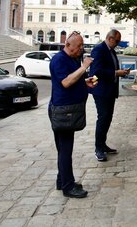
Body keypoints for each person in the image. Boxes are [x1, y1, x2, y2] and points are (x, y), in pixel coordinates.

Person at [49, 31, 97, 198]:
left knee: (63, 148)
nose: (81, 49)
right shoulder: (59, 59)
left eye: (82, 45)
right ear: (68, 45)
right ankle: (68, 187)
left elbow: (73, 79)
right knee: (65, 148)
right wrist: (84, 67)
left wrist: (84, 81)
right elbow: (66, 82)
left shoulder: (70, 59)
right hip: (63, 111)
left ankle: (62, 180)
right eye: (79, 46)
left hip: (68, 110)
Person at [89, 29, 130, 162]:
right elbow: (96, 71)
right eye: (117, 41)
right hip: (101, 91)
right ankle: (98, 149)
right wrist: (116, 73)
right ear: (110, 38)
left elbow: (111, 67)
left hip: (110, 90)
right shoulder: (99, 50)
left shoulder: (111, 50)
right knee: (103, 118)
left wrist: (120, 72)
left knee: (107, 118)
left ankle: (103, 144)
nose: (118, 43)